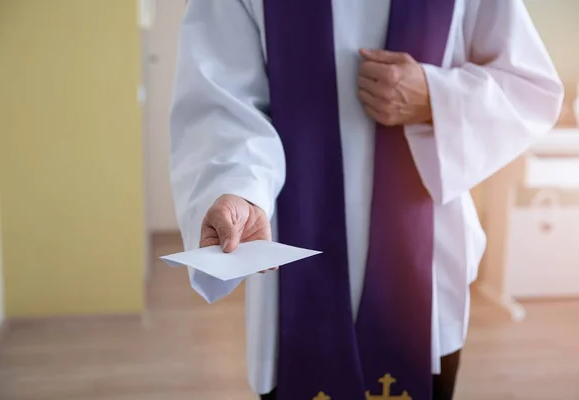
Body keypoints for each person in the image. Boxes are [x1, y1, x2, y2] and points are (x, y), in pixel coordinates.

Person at [169, 1, 563, 399]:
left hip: (426, 273)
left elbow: (529, 86)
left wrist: (435, 95)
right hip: (287, 262)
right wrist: (238, 186)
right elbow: (222, 103)